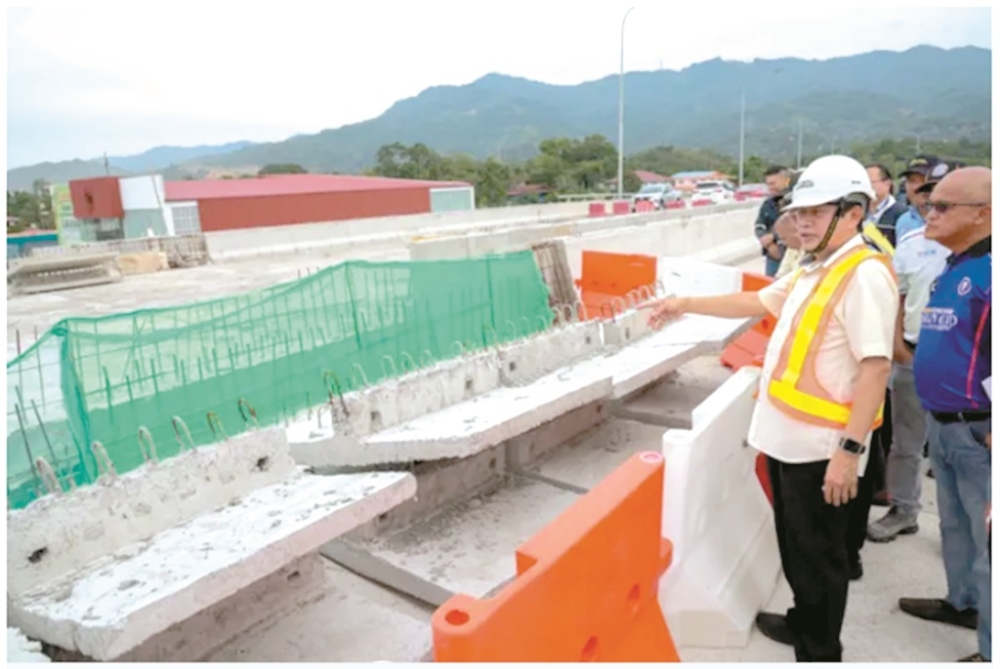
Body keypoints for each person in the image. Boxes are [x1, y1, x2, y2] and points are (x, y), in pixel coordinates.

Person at [648, 155, 898, 662]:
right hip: (785, 440)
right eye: (798, 213)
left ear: (853, 213)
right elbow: (759, 301)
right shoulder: (816, 268)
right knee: (796, 549)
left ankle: (820, 648)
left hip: (822, 450)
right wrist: (683, 304)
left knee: (820, 558)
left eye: (815, 212)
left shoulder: (863, 274)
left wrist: (848, 453)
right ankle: (804, 619)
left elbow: (876, 369)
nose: (802, 223)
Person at [899, 166, 991, 663]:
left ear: (984, 213)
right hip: (945, 425)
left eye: (942, 206)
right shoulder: (955, 265)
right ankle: (963, 603)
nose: (928, 212)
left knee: (989, 543)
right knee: (954, 527)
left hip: (979, 432)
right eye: (928, 203)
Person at [866, 161, 954, 543]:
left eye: (943, 198)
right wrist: (899, 346)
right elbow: (897, 296)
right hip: (916, 355)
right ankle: (904, 510)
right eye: (925, 194)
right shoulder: (913, 242)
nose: (932, 204)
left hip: (968, 363)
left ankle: (966, 527)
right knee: (906, 442)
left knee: (960, 449)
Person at [755, 166, 792, 277]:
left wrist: (774, 236)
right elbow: (759, 225)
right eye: (768, 184)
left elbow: (794, 225)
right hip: (772, 257)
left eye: (773, 183)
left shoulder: (797, 202)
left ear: (786, 181)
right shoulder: (768, 204)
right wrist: (767, 243)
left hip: (791, 254)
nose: (770, 188)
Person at [895, 155, 940, 240]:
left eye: (923, 180)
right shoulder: (903, 221)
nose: (916, 187)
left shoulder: (950, 220)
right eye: (911, 181)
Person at [865, 163, 908, 246]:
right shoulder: (858, 213)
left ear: (887, 184)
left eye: (870, 182)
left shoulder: (901, 214)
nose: (866, 186)